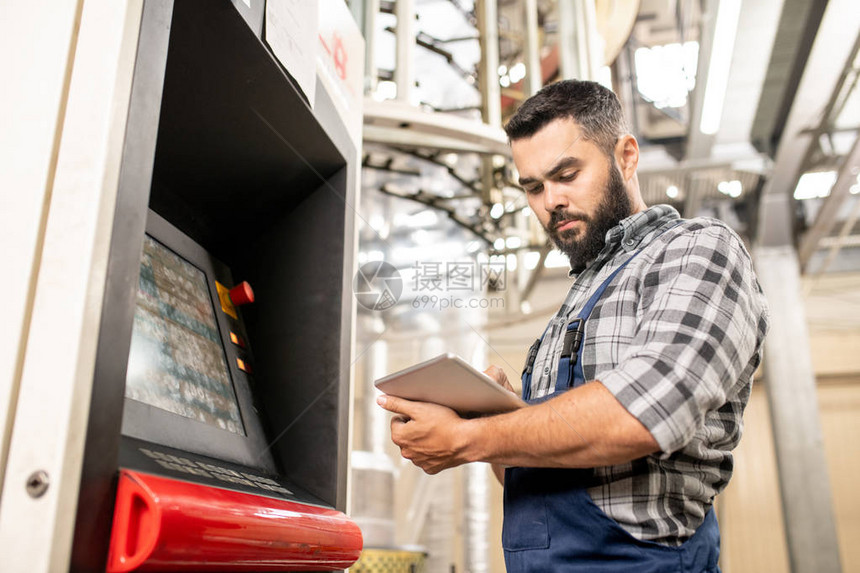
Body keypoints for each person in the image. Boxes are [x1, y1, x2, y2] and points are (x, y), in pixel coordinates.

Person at [377, 80, 769, 572]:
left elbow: (643, 414)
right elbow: (537, 476)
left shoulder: (696, 251)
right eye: (534, 187)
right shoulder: (578, 300)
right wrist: (488, 420)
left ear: (626, 156)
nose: (551, 201)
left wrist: (465, 439)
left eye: (567, 174)